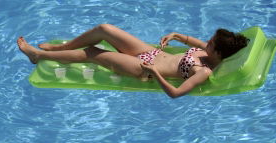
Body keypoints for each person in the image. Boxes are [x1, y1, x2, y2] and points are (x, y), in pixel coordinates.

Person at [16, 24, 248, 98]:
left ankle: (39, 56)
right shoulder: (207, 52)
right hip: (151, 52)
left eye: (210, 42)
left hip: (144, 69)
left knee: (93, 53)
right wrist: (177, 36)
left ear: (218, 53)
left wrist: (154, 73)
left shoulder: (204, 71)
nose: (205, 42)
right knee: (105, 29)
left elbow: (176, 94)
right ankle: (62, 48)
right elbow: (192, 41)